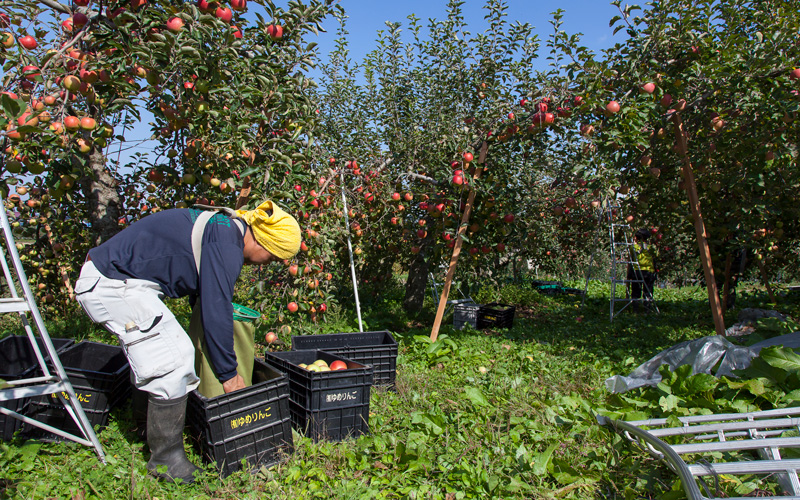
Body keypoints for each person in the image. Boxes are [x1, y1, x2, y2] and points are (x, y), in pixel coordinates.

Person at [74, 200, 300, 484]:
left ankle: (142, 427)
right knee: (175, 359)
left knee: (159, 351)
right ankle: (166, 460)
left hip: (126, 282)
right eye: (271, 257)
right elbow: (216, 308)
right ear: (263, 241)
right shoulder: (227, 243)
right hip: (111, 284)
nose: (265, 264)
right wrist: (229, 376)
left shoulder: (225, 229)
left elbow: (203, 290)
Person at [628, 228, 658, 312]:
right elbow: (656, 256)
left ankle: (635, 310)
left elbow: (630, 257)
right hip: (649, 271)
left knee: (636, 291)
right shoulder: (651, 248)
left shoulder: (633, 247)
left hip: (637, 271)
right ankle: (647, 309)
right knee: (648, 291)